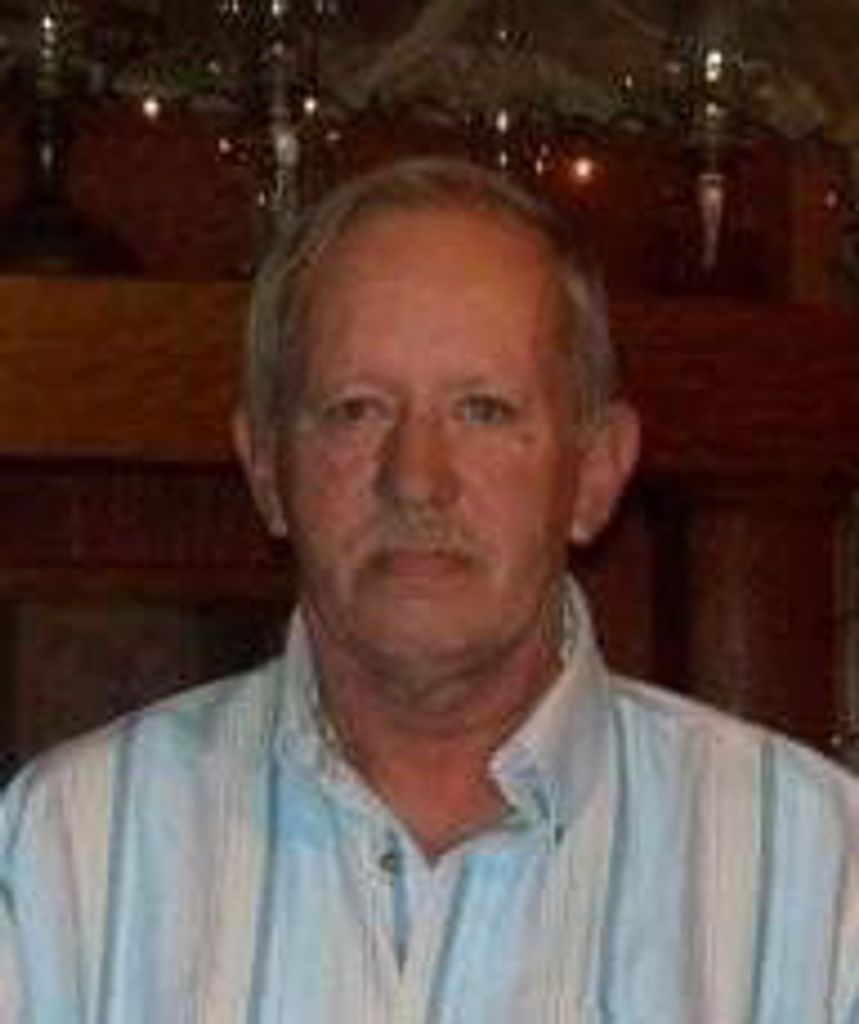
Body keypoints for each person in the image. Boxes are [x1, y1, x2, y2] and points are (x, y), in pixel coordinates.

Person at [1, 156, 858, 1022]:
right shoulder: (67, 854)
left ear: (596, 471)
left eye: (483, 409)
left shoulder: (817, 876)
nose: (416, 478)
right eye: (356, 409)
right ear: (265, 469)